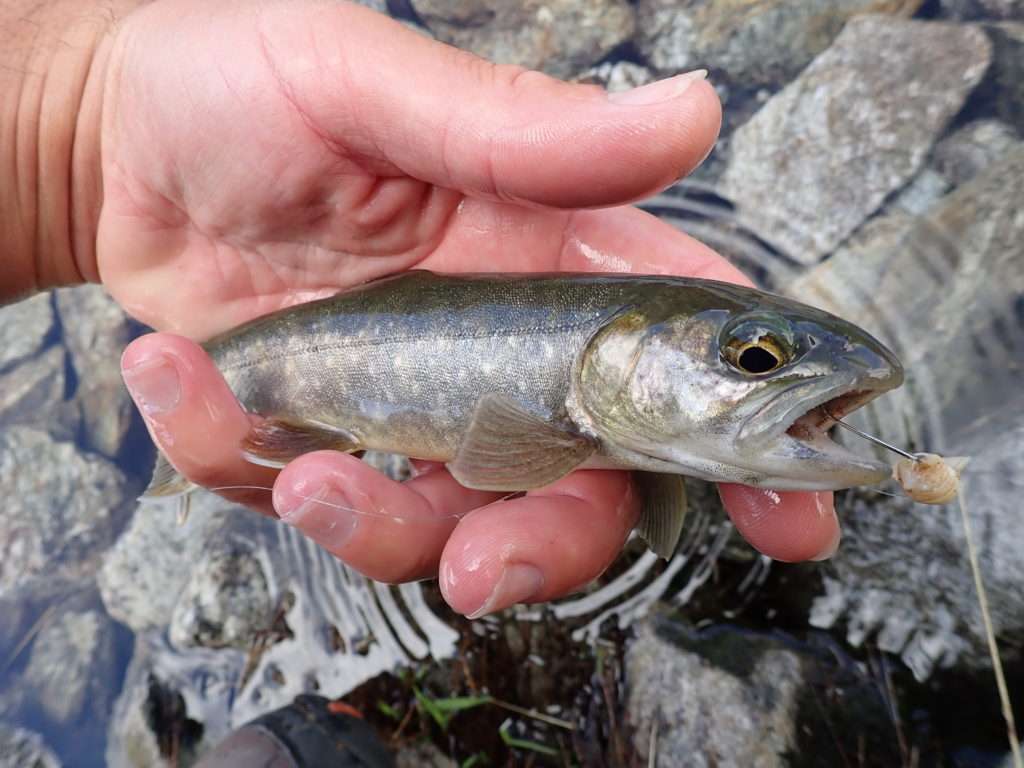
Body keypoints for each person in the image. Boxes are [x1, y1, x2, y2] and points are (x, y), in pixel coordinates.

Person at [2, 0, 841, 621]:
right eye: (755, 360)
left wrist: (81, 121)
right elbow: (494, 460)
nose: (763, 369)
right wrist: (88, 116)